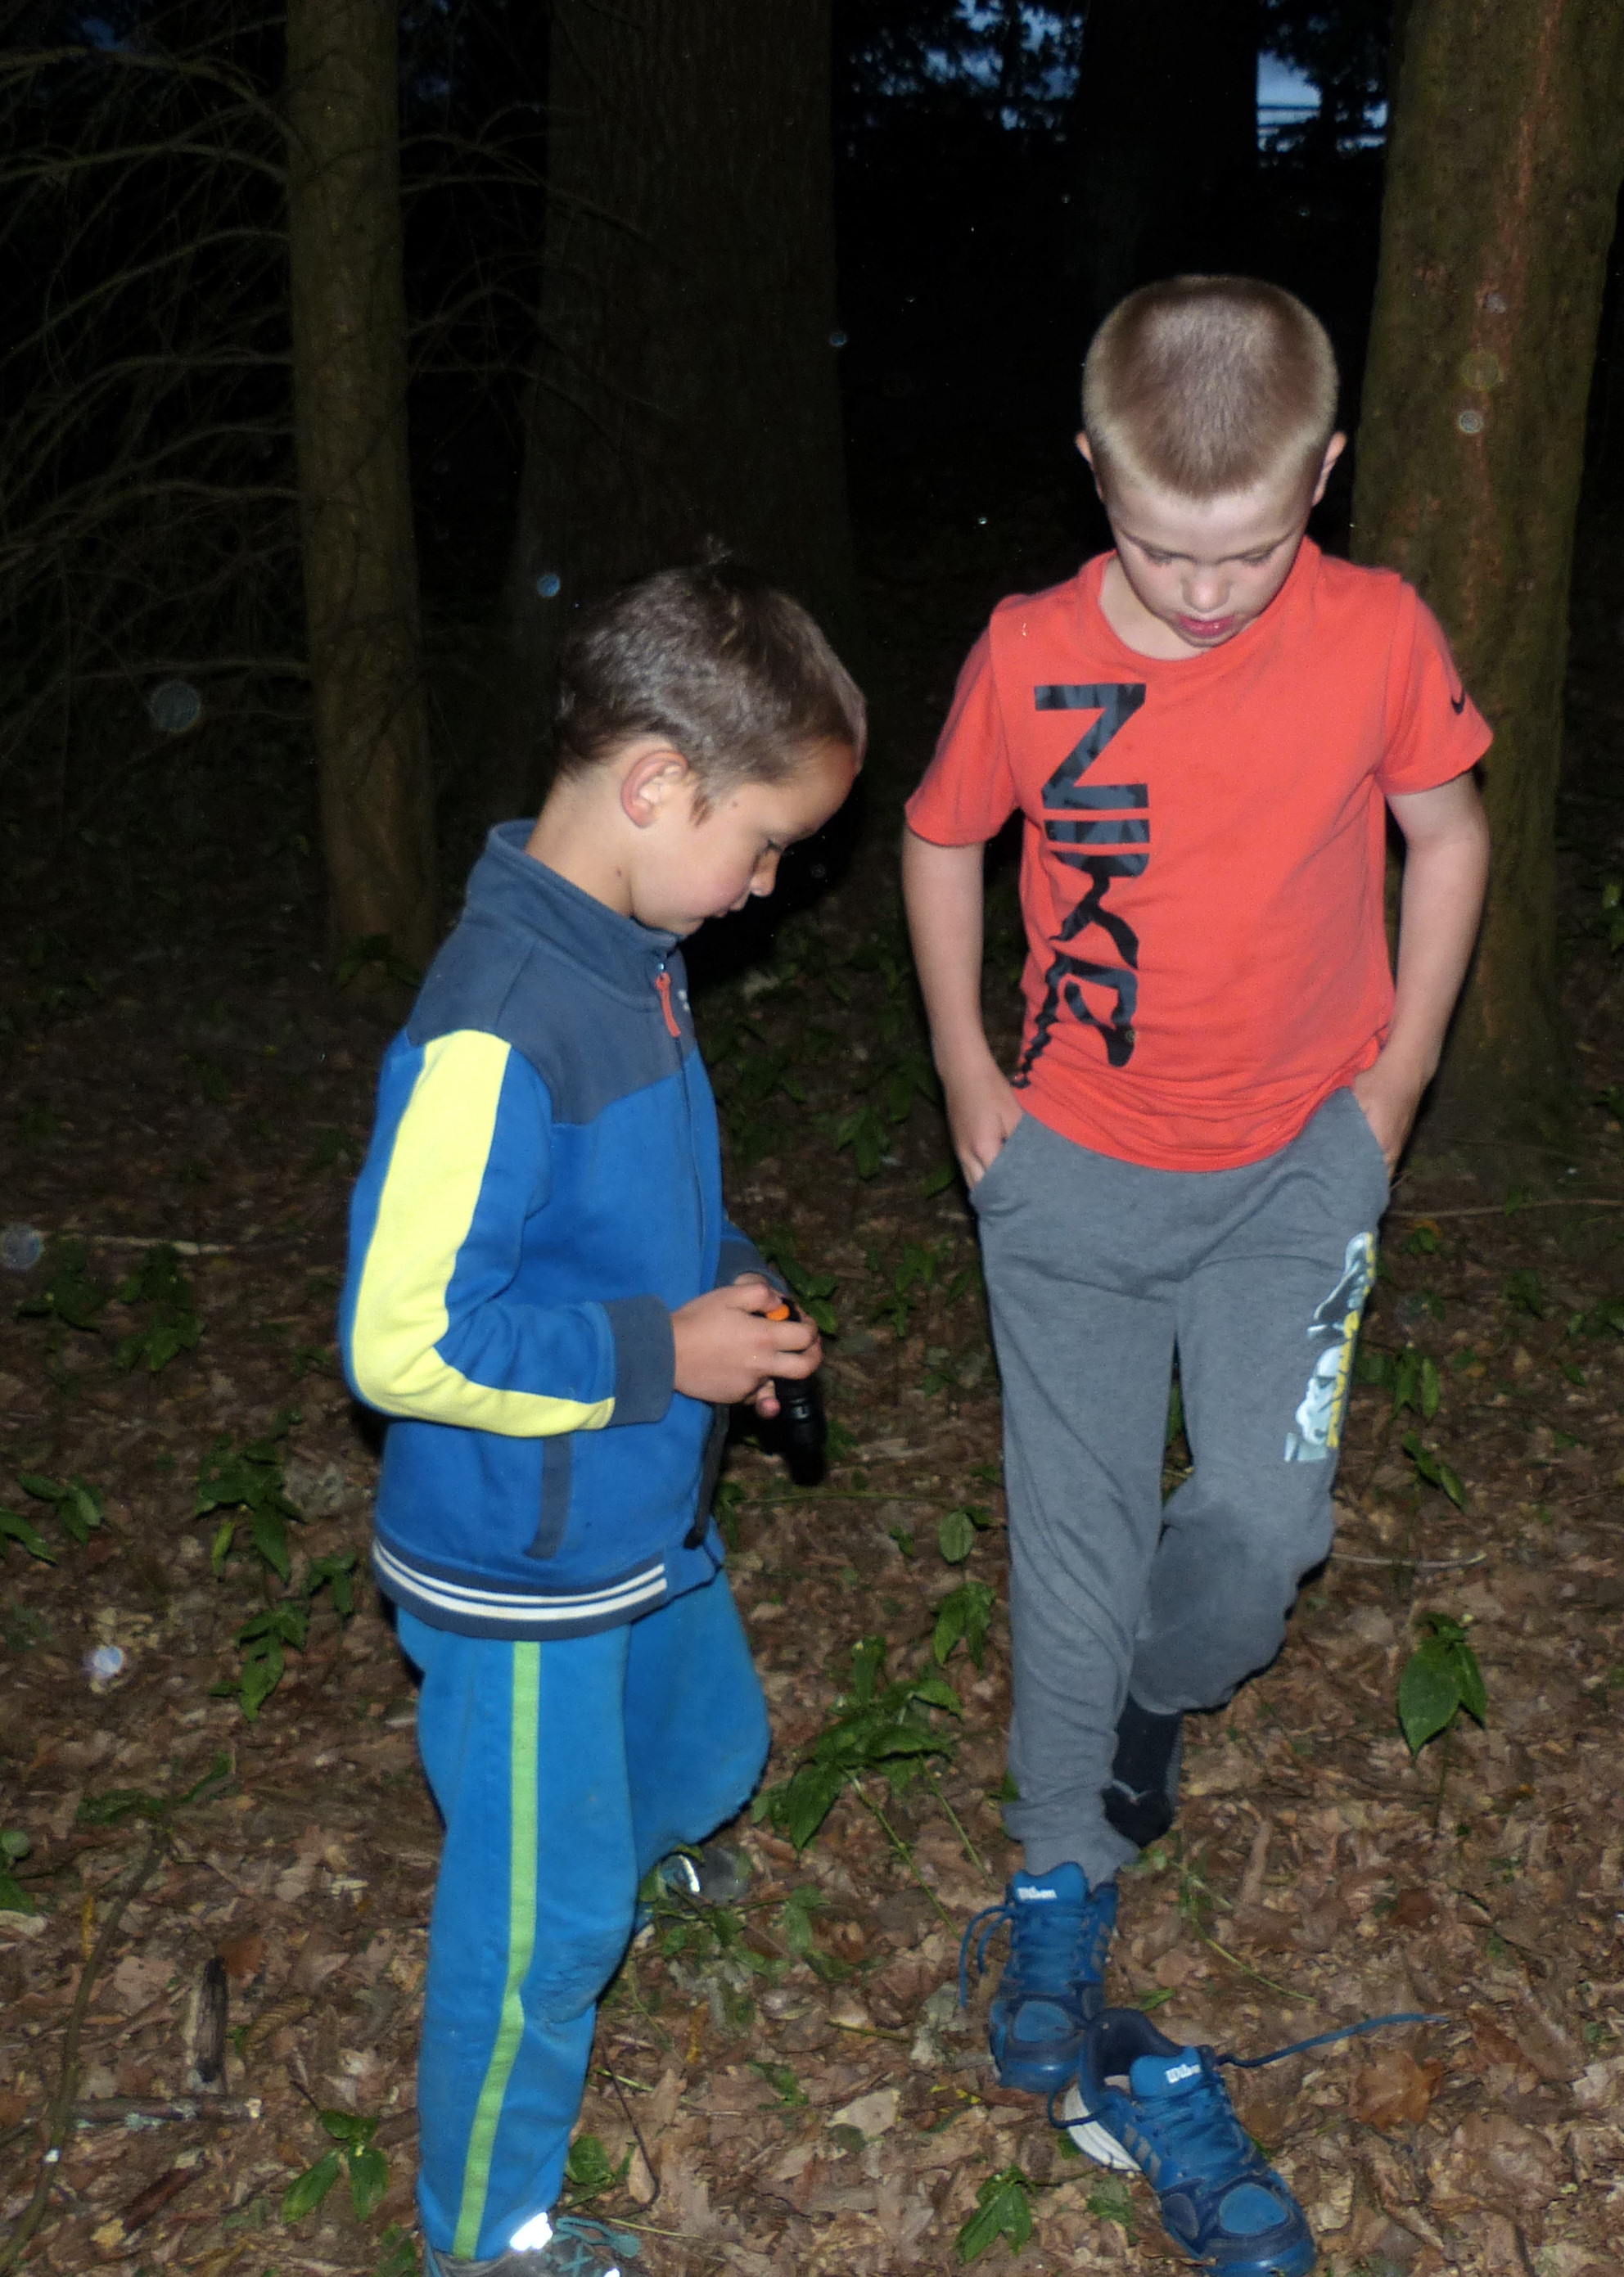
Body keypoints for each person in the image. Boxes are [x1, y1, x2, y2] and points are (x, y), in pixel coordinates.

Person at [906, 277, 1490, 2275]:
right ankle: (1060, 1879)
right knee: (1070, 1541)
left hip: (1290, 1176)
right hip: (1072, 1174)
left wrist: (1393, 1084)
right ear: (1095, 475)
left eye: (1248, 547)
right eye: (1166, 547)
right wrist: (969, 1070)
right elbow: (940, 841)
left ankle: (1149, 1707)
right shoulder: (1028, 649)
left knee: (1258, 1524)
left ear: (1321, 477)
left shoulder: (1377, 629)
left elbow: (1445, 833)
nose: (1210, 588)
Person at [340, 561, 863, 2277]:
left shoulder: (629, 952)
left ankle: (618, 1854)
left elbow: (634, 1210)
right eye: (763, 844)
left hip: (637, 1504)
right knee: (539, 1928)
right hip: (524, 1565)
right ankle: (485, 2232)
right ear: (656, 784)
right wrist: (662, 1353)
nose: (770, 883)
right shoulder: (497, 1025)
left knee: (711, 1747)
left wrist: (730, 1283)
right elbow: (404, 1342)